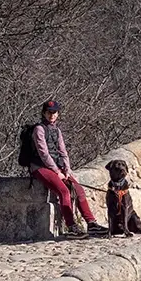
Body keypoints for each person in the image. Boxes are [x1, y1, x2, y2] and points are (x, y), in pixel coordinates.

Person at [22, 100, 104, 237]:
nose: (52, 115)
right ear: (44, 113)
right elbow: (43, 154)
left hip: (57, 167)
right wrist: (57, 172)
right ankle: (71, 227)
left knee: (78, 189)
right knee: (64, 191)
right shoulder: (39, 130)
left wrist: (67, 170)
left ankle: (91, 223)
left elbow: (63, 152)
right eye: (49, 112)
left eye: (54, 112)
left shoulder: (57, 130)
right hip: (40, 167)